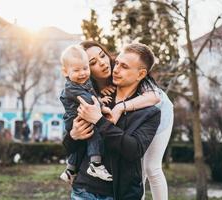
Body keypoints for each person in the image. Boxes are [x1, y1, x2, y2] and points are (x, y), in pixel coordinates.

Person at [63, 43, 161, 200]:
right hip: (85, 191)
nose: (115, 69)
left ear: (140, 74)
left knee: (154, 168)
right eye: (117, 64)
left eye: (124, 66)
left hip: (122, 194)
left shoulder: (149, 112)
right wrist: (73, 135)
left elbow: (134, 150)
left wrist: (100, 120)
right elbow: (69, 146)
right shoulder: (97, 100)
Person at [59, 45, 113, 184]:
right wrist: (101, 105)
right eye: (77, 70)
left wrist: (100, 98)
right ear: (65, 72)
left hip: (82, 115)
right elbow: (88, 99)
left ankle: (70, 169)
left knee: (84, 141)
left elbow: (91, 94)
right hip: (75, 119)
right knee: (94, 133)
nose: (82, 73)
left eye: (85, 68)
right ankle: (95, 164)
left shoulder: (85, 81)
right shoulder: (72, 87)